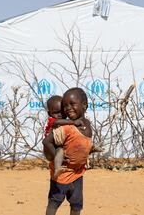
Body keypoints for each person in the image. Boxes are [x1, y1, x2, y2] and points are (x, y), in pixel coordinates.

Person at [42, 87, 94, 215]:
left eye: (72, 104)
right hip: (62, 173)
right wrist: (56, 158)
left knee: (77, 203)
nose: (67, 109)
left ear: (84, 106)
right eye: (66, 106)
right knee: (55, 201)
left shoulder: (84, 124)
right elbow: (46, 142)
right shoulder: (65, 127)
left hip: (77, 172)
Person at [44, 95, 86, 179]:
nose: (60, 115)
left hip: (56, 146)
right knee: (60, 150)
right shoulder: (53, 121)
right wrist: (73, 122)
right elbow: (58, 122)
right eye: (56, 113)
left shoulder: (65, 122)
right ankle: (57, 168)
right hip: (50, 148)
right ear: (50, 114)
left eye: (62, 112)